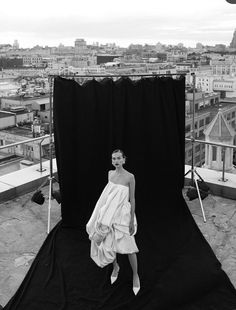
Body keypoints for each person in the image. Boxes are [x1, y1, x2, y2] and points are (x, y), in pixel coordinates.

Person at [86, 149, 140, 295]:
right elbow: (107, 196)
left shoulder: (130, 177)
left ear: (124, 159)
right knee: (109, 242)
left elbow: (132, 198)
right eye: (113, 159)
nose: (116, 161)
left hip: (122, 215)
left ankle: (135, 275)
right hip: (108, 214)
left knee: (130, 247)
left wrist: (130, 220)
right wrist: (101, 214)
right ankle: (116, 267)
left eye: (118, 158)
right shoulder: (110, 174)